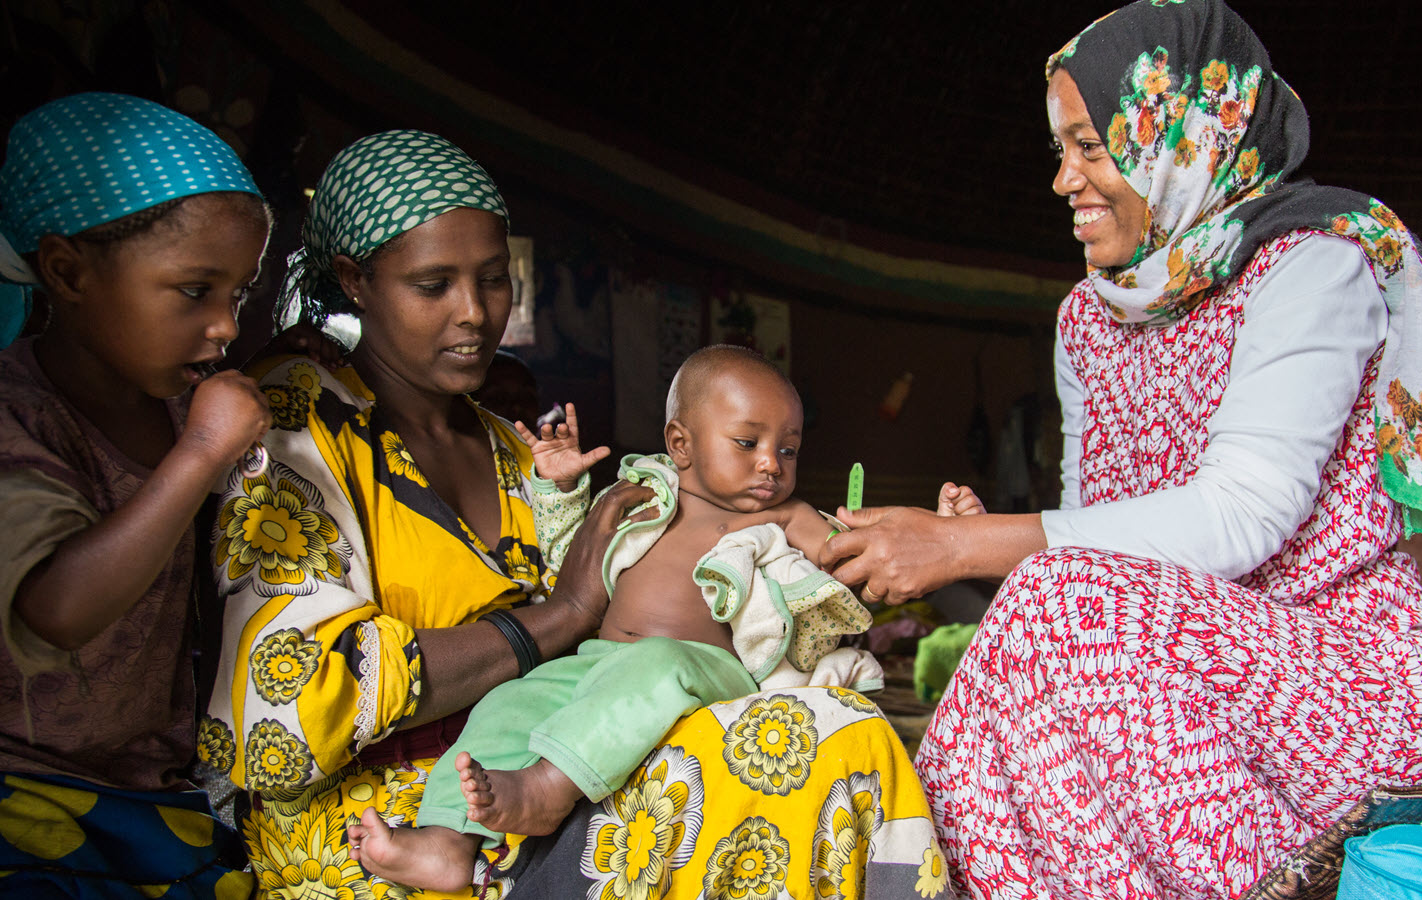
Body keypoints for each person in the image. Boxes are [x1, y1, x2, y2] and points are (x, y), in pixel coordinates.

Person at [820, 2, 1422, 897]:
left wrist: (966, 546)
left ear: (1182, 136)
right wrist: (998, 544)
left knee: (1057, 600)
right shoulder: (1090, 314)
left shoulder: (1311, 264)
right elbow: (1099, 534)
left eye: (1093, 146)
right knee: (1036, 626)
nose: (1064, 179)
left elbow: (1242, 514)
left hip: (1344, 691)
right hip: (1166, 683)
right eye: (1058, 150)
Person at [206, 131, 944, 900]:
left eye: (495, 279)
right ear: (356, 281)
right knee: (800, 764)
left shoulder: (510, 449)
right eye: (434, 285)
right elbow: (284, 715)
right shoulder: (295, 424)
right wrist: (551, 622)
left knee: (837, 738)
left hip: (565, 764)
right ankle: (465, 846)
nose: (474, 313)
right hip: (379, 821)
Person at [348, 345, 881, 891]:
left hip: (699, 670)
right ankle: (446, 839)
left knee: (654, 663)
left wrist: (878, 543)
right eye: (748, 443)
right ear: (681, 444)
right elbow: (567, 557)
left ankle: (549, 788)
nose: (771, 462)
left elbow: (850, 560)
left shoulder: (785, 515)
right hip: (599, 661)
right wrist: (562, 488)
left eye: (788, 451)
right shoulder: (642, 498)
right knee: (508, 702)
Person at [0, 92, 271, 898]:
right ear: (67, 271)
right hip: (26, 788)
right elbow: (56, 607)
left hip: (157, 791)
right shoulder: (17, 414)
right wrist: (200, 454)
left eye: (240, 295)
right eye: (195, 291)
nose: (226, 327)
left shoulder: (187, 406)